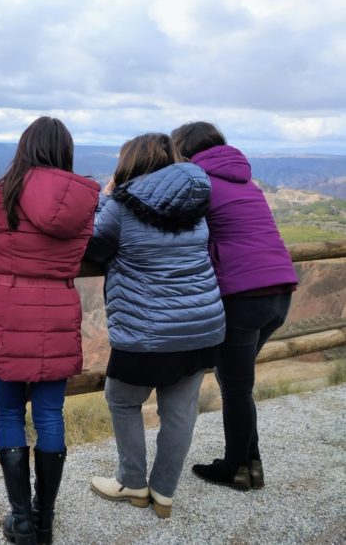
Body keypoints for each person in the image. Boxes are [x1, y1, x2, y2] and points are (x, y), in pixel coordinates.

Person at [0, 116, 100, 545]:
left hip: (8, 316)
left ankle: (21, 521)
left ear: (25, 148)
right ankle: (46, 520)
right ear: (65, 153)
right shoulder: (84, 200)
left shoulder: (4, 193)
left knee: (9, 414)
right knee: (51, 415)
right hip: (57, 312)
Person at [86, 133, 225, 519]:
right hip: (202, 326)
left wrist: (107, 194)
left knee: (122, 400)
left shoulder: (122, 207)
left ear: (130, 163)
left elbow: (93, 248)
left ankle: (132, 481)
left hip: (148, 331)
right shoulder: (197, 207)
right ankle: (163, 492)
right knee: (180, 413)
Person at [171, 121, 298, 490]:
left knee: (236, 386)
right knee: (237, 382)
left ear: (183, 151)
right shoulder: (246, 181)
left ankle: (234, 467)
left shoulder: (199, 182)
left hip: (244, 298)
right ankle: (250, 463)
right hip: (279, 293)